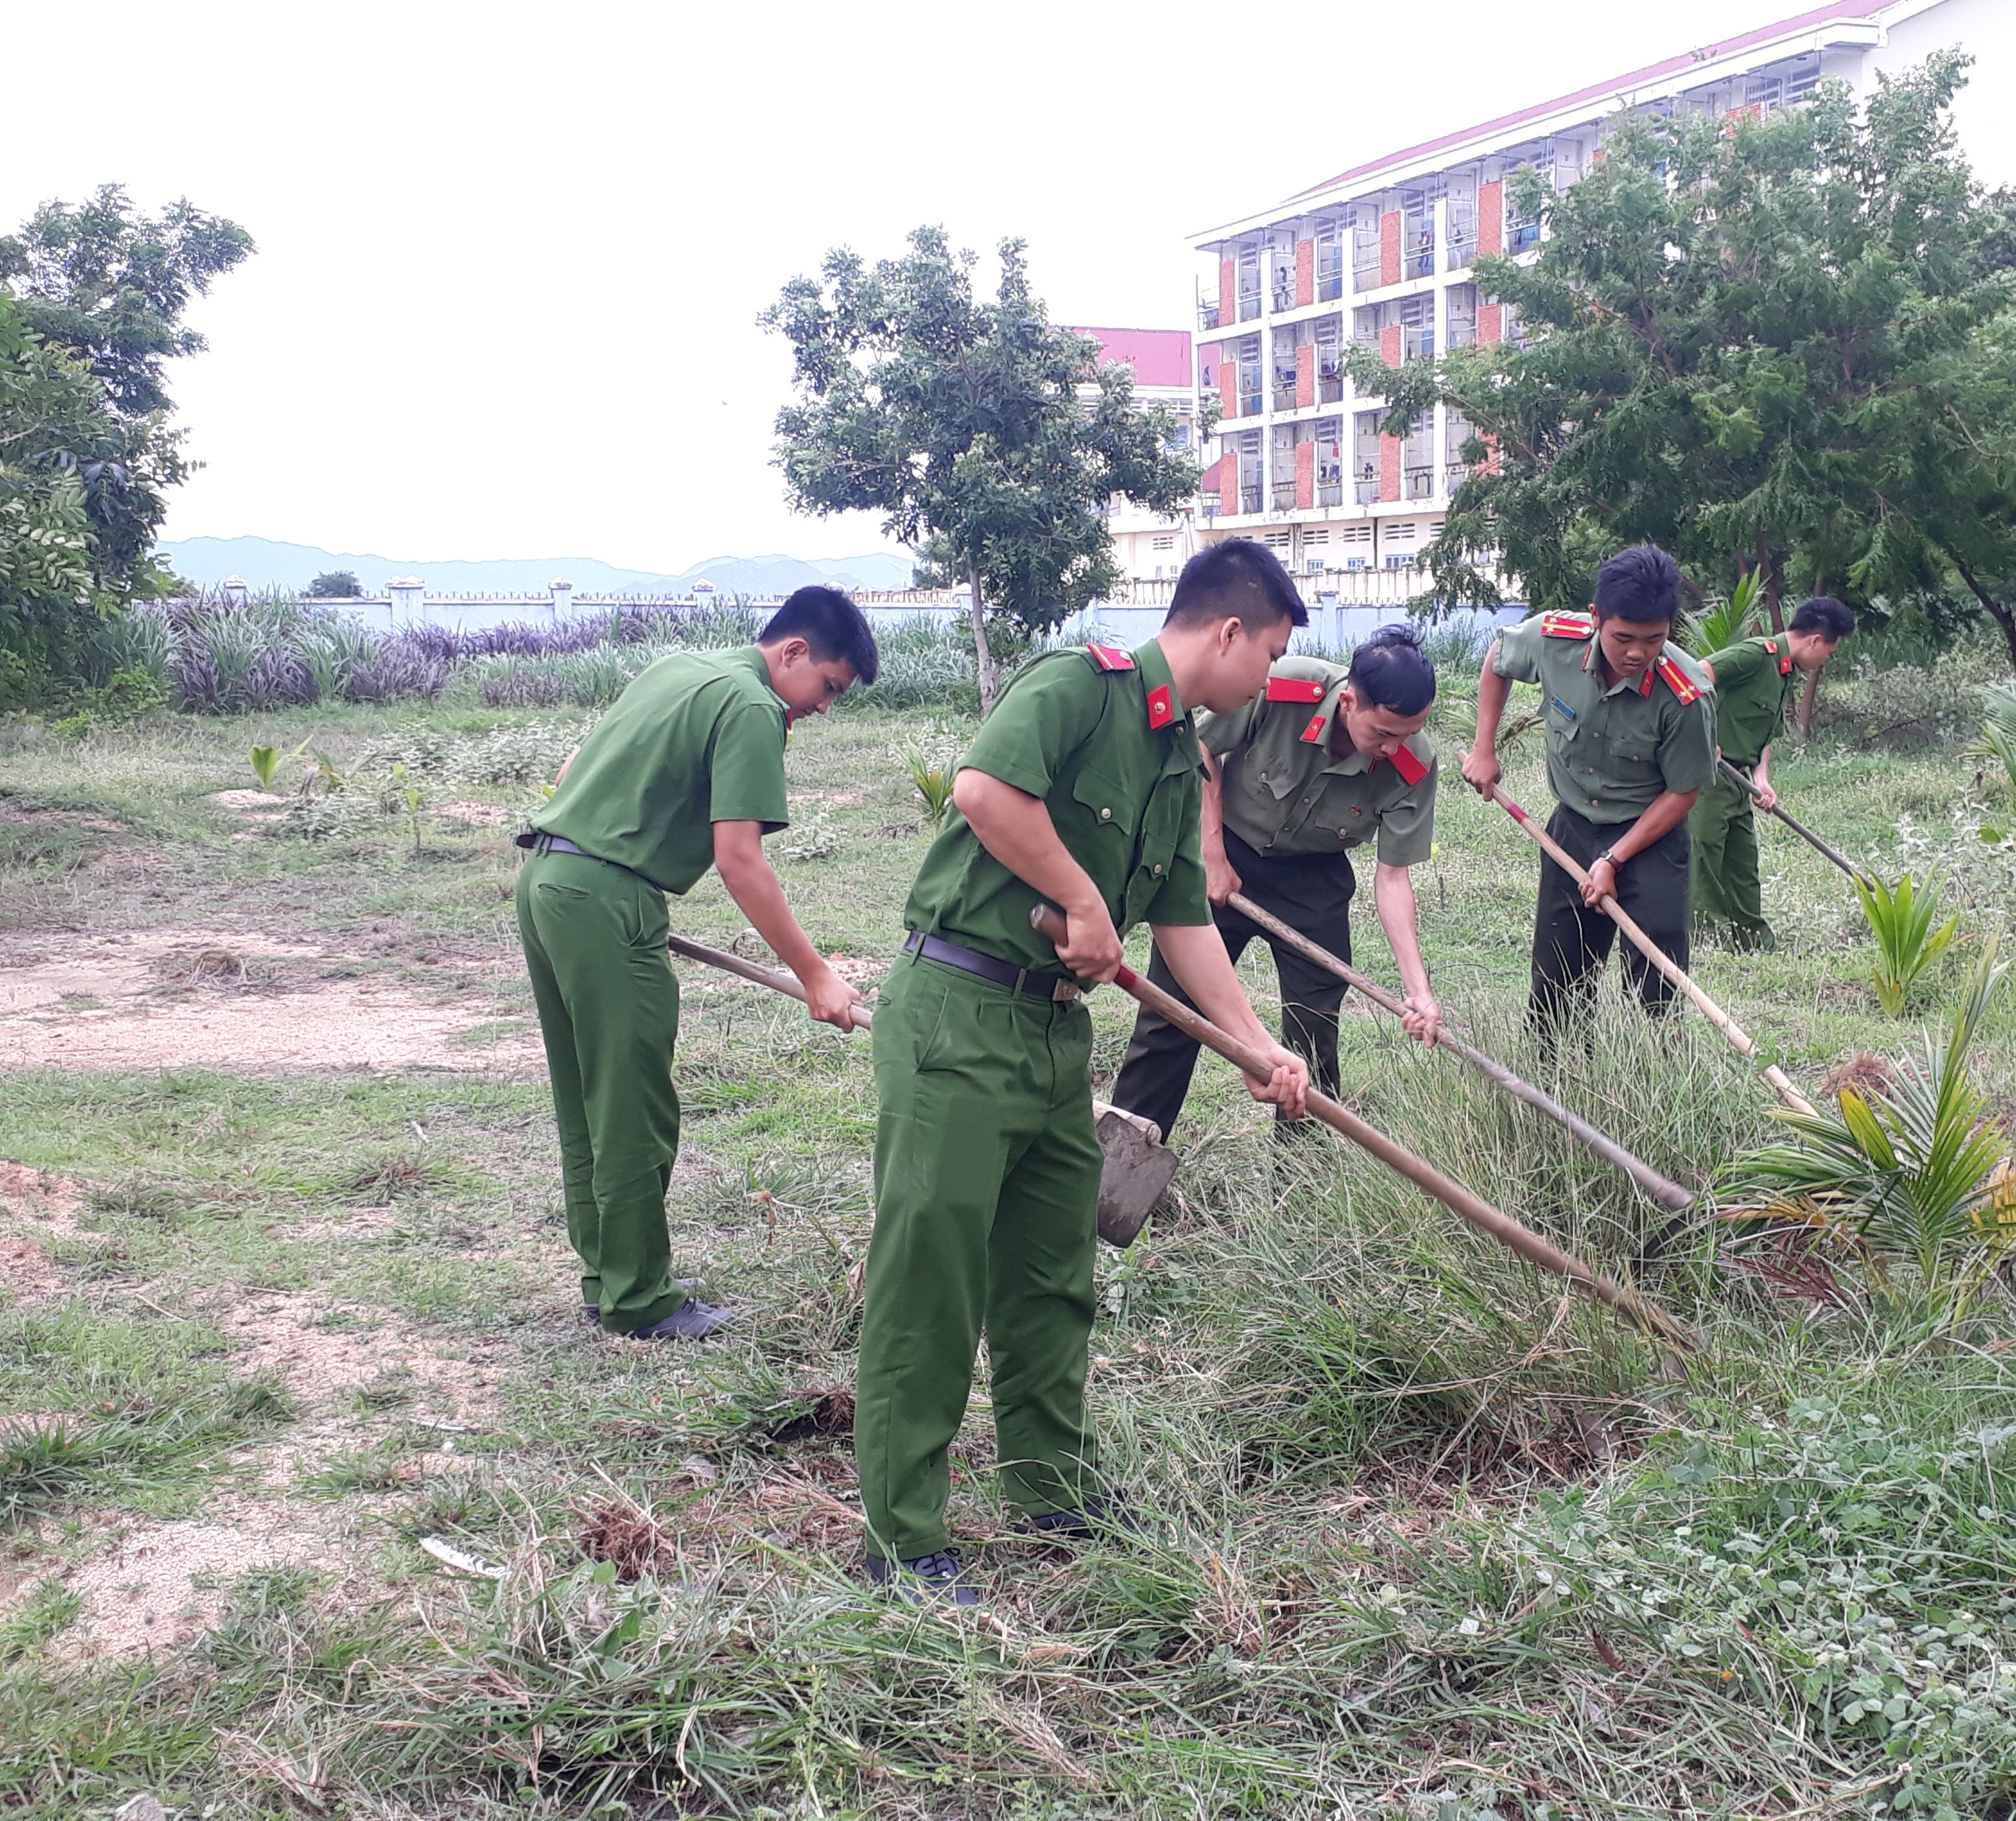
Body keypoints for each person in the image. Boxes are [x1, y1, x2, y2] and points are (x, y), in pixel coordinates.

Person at [856, 538, 1313, 1605]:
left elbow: (1187, 918)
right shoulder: (1079, 687)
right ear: (1228, 631)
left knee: (1049, 1272)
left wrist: (1251, 1041)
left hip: (1054, 1033)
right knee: (933, 1277)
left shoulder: (1173, 755)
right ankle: (902, 1537)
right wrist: (1085, 898)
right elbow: (981, 790)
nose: (1270, 682)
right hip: (958, 1012)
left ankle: (1050, 1487)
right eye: (1272, 654)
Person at [514, 585, 879, 1341]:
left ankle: (609, 1277)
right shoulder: (750, 707)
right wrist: (818, 974)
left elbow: (576, 763)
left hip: (549, 881)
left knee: (588, 1098)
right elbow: (740, 860)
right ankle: (640, 1300)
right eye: (829, 688)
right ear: (794, 653)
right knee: (631, 1108)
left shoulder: (679, 669)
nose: (822, 707)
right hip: (606, 901)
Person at [1109, 622, 1445, 1142]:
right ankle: (1122, 1162)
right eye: (1383, 733)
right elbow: (1200, 748)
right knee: (1171, 1016)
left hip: (1314, 879)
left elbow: (1393, 876)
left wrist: (1417, 991)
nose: (1393, 748)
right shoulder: (1282, 687)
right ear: (1351, 702)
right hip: (1229, 854)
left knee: (1313, 1036)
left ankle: (1300, 1191)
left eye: (1408, 734)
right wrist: (1212, 852)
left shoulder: (1414, 764)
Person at [1459, 544, 1716, 1033]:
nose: (1638, 653)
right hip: (1572, 827)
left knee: (1655, 969)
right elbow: (1499, 658)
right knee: (1559, 969)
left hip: (1650, 837)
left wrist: (1615, 859)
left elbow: (1683, 793)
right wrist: (1484, 748)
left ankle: (1657, 1073)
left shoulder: (1686, 696)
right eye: (1623, 638)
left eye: (1654, 639)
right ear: (1597, 618)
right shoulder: (1555, 640)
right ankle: (1559, 1079)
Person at [1689, 596, 1857, 950]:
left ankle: (1754, 944)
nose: (1824, 661)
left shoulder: (1783, 673)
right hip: (1709, 777)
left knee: (1743, 867)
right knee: (1703, 859)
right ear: (1814, 640)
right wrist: (1702, 734)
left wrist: (1761, 778)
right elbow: (1696, 674)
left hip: (1740, 783)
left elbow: (1763, 731)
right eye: (1828, 652)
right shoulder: (1755, 655)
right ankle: (1706, 942)